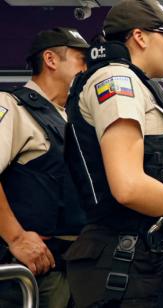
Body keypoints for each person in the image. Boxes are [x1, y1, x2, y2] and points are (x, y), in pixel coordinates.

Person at [62, 1, 163, 307]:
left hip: (137, 260)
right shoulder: (118, 81)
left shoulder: (139, 85)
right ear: (140, 36)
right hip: (123, 262)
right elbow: (129, 186)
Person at [0, 27, 89, 308]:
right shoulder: (12, 107)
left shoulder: (72, 120)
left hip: (71, 266)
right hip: (33, 271)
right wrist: (16, 237)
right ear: (51, 59)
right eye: (80, 59)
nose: (87, 69)